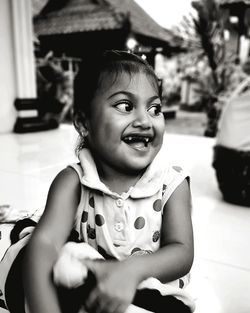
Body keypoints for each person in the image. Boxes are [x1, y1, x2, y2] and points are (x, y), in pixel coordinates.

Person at [21, 50, 195, 313]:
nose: (144, 120)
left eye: (154, 108)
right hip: (93, 294)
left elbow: (182, 252)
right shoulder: (74, 181)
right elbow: (43, 246)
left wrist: (130, 271)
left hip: (156, 298)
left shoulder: (171, 184)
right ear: (83, 123)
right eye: (125, 106)